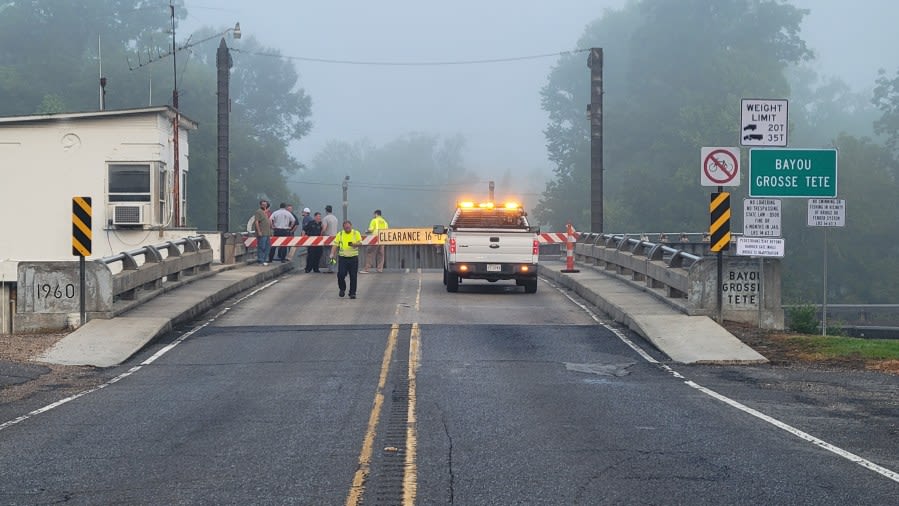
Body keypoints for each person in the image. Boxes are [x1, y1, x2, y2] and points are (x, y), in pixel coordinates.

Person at [330, 220, 362, 299]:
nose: (347, 228)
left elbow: (360, 243)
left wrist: (355, 244)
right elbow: (335, 245)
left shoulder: (356, 233)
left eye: (348, 227)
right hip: (343, 258)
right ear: (343, 227)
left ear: (351, 226)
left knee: (353, 276)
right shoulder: (340, 234)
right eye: (346, 227)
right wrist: (332, 254)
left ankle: (352, 293)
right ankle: (342, 288)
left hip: (353, 258)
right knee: (340, 274)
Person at [320, 205, 339, 272]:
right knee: (333, 253)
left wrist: (321, 234)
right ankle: (333, 267)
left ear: (326, 210)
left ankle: (330, 268)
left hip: (327, 238)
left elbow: (324, 228)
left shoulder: (325, 218)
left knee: (328, 254)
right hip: (335, 238)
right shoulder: (335, 218)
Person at [254, 200, 273, 265]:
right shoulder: (258, 212)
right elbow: (256, 222)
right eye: (263, 204)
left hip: (267, 233)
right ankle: (260, 259)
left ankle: (265, 259)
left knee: (268, 247)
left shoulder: (266, 212)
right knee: (262, 246)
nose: (264, 206)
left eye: (265, 204)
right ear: (260, 205)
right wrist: (259, 231)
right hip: (262, 232)